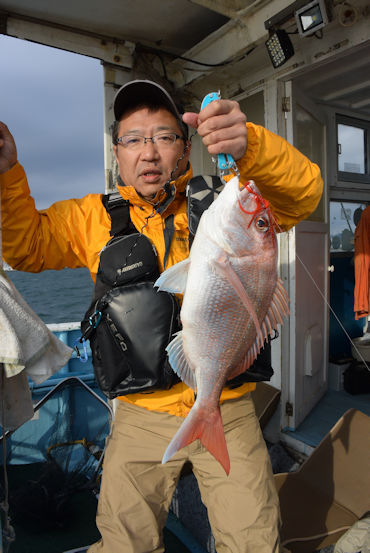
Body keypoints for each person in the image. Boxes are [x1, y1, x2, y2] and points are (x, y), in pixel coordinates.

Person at [0, 80, 323, 553]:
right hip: (138, 417)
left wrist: (250, 144)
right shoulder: (90, 218)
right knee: (125, 542)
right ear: (117, 151)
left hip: (228, 408)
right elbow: (25, 247)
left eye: (164, 136)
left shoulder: (228, 204)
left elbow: (303, 196)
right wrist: (8, 174)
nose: (148, 153)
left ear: (186, 145)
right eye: (134, 139)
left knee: (255, 541)